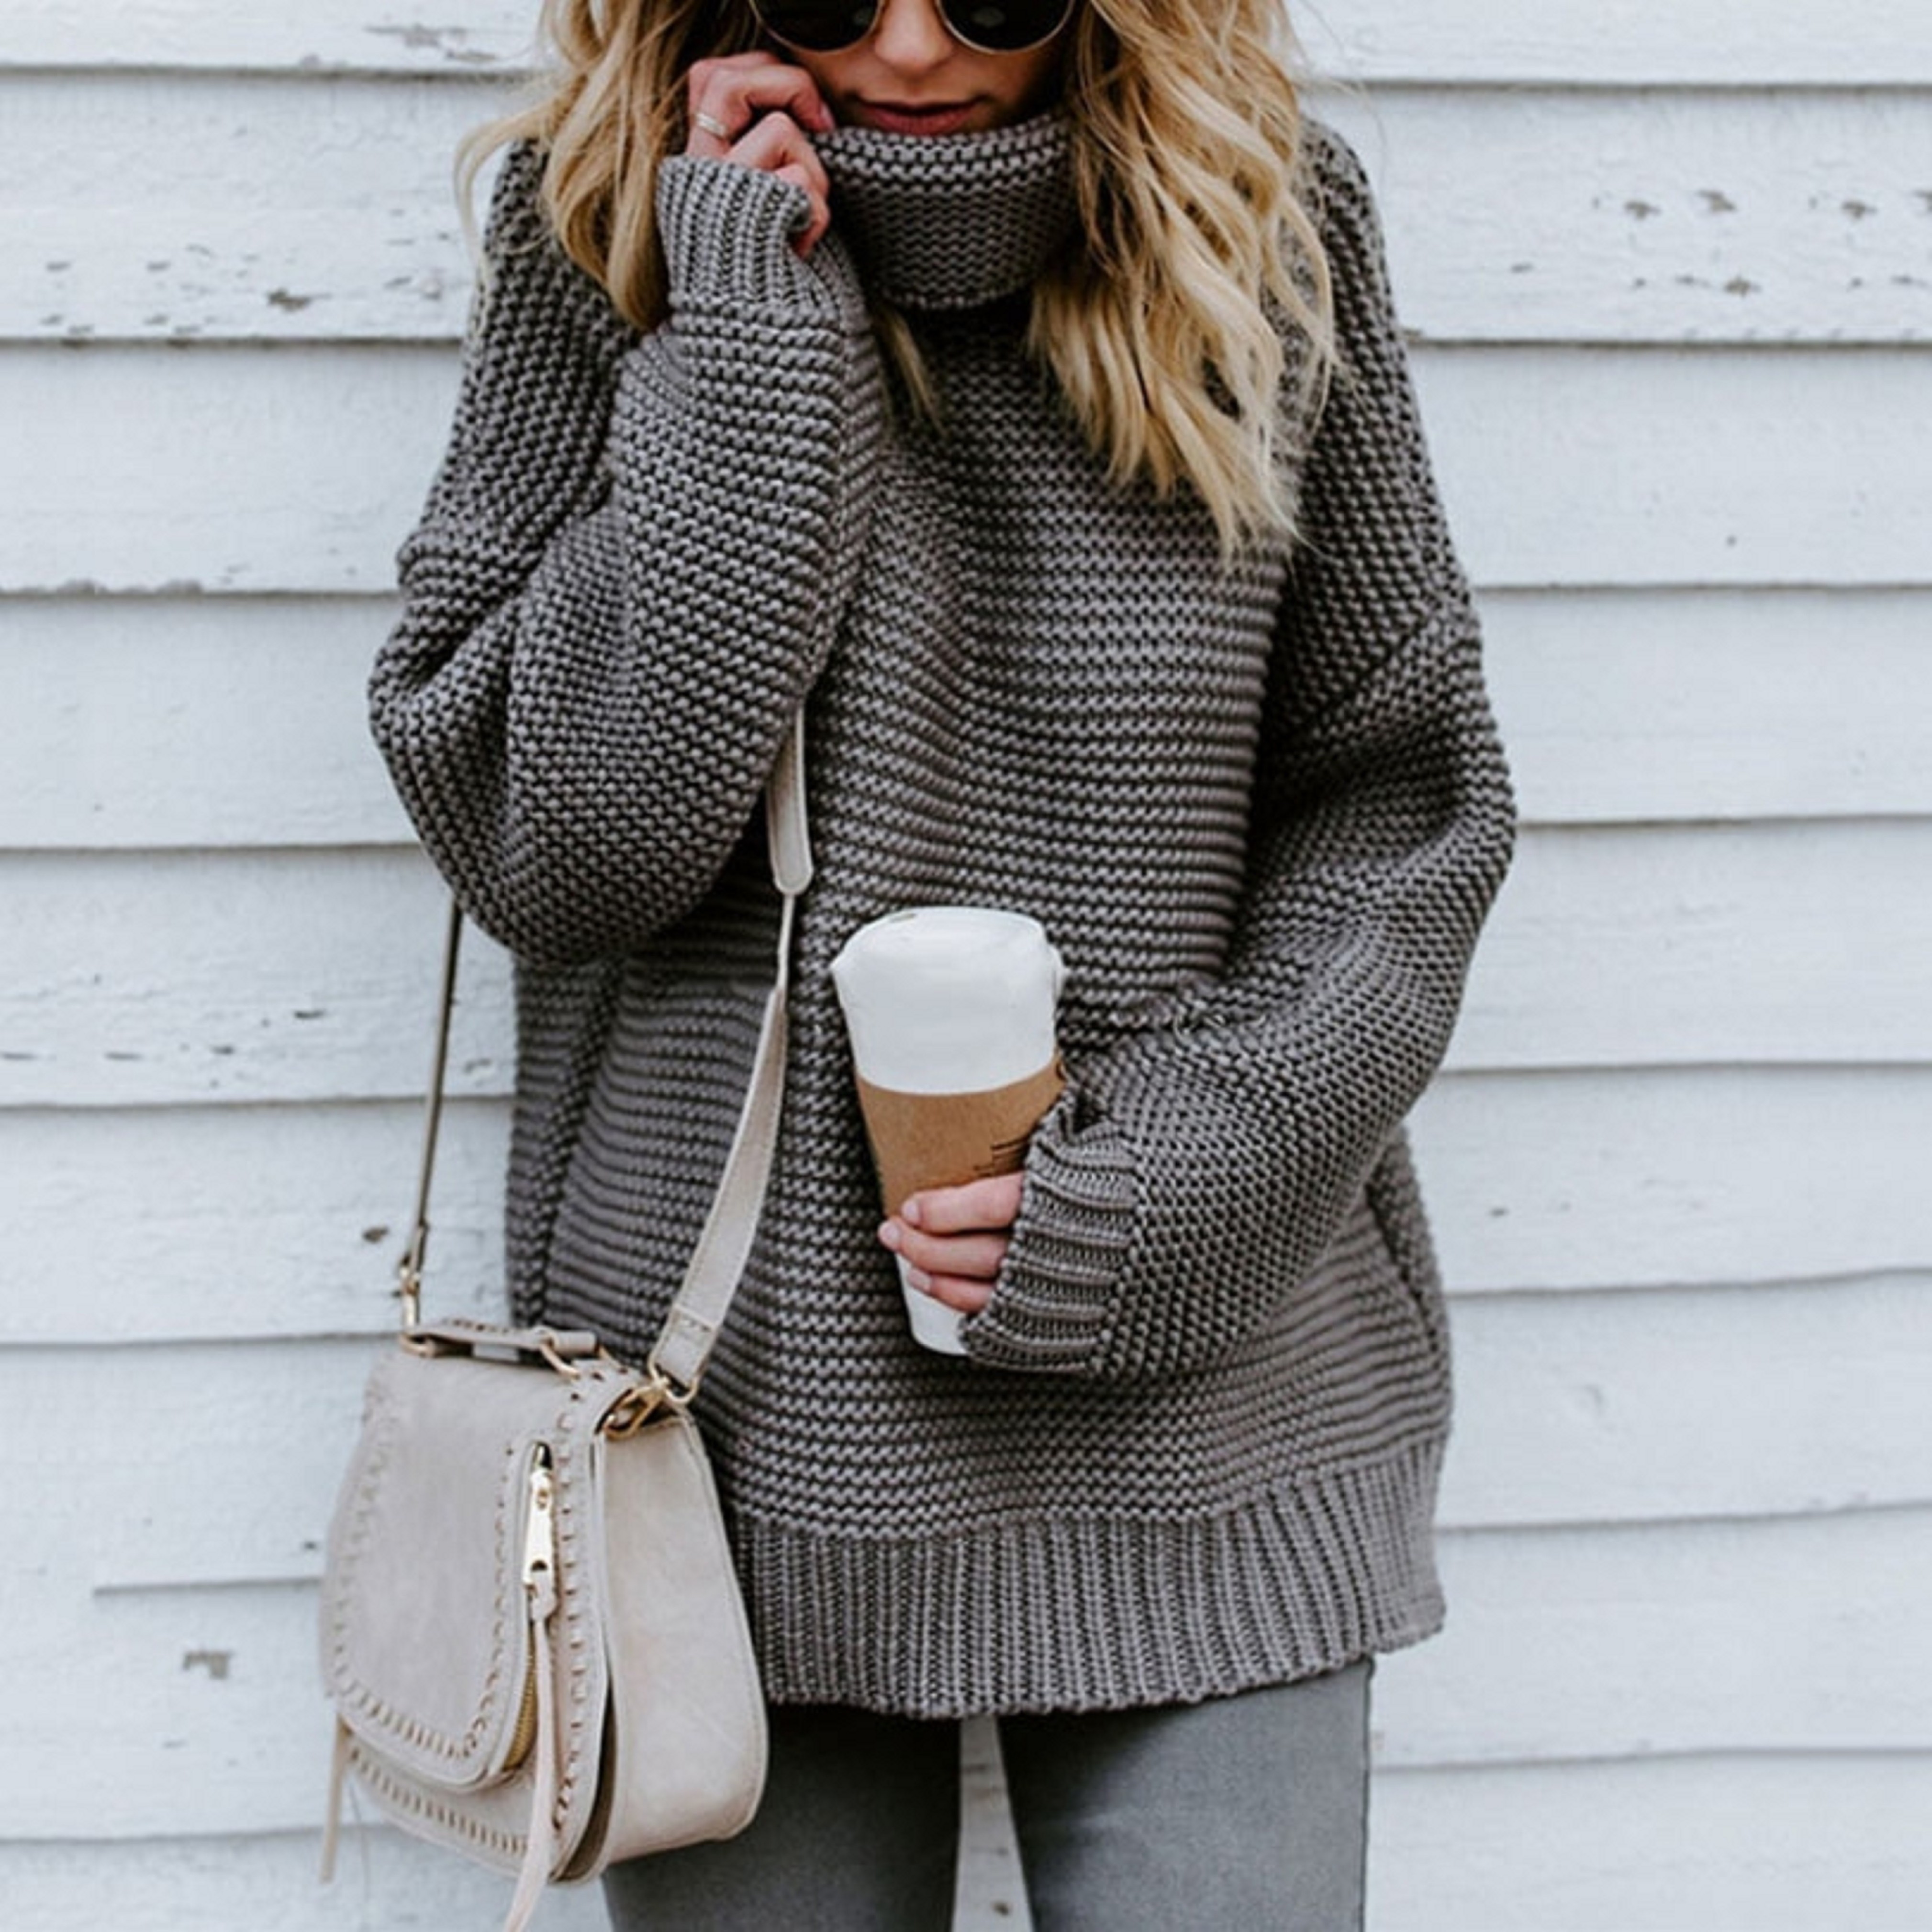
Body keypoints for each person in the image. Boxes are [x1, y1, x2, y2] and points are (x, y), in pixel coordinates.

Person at [369, 0, 1514, 1919]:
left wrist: (1172, 1173)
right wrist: (740, 334)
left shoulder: (1261, 220)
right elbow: (556, 851)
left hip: (1208, 1406)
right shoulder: (611, 228)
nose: (907, 48)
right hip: (725, 1456)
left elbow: (1398, 811)